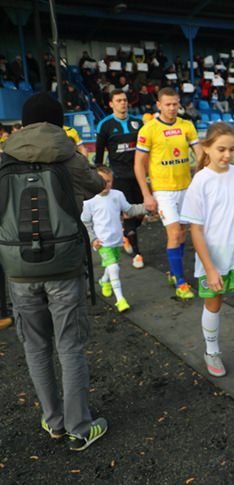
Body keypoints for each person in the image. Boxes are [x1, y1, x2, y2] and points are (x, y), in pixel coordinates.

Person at [3, 92, 107, 451]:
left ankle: (54, 421)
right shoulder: (69, 156)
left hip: (18, 267)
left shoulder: (4, 157)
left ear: (24, 122)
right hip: (63, 264)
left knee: (35, 346)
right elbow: (98, 186)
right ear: (57, 121)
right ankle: (80, 427)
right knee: (69, 346)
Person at [180, 123, 234, 377]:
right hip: (212, 258)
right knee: (213, 305)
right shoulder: (200, 182)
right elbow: (195, 230)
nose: (227, 155)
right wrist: (210, 268)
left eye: (231, 149)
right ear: (206, 148)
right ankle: (212, 350)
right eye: (221, 149)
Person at [134, 86, 203, 300]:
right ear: (159, 105)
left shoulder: (187, 125)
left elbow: (200, 155)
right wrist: (147, 194)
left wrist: (202, 177)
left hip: (186, 188)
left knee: (181, 233)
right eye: (168, 104)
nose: (172, 108)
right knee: (174, 233)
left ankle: (175, 272)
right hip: (163, 191)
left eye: (175, 104)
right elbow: (138, 165)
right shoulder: (149, 129)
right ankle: (181, 282)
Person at [81, 166, 146, 312]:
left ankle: (104, 281)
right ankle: (120, 300)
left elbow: (129, 210)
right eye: (101, 181)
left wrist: (147, 207)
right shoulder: (89, 201)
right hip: (102, 242)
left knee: (111, 266)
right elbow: (85, 222)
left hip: (116, 240)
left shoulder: (118, 195)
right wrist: (93, 239)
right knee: (114, 267)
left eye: (109, 181)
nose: (105, 185)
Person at [95, 89, 146, 269]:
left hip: (138, 174)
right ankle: (137, 253)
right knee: (129, 211)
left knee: (142, 211)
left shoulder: (138, 123)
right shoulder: (105, 125)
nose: (123, 103)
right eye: (118, 100)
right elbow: (99, 156)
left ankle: (126, 233)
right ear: (111, 104)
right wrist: (99, 177)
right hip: (119, 176)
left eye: (124, 100)